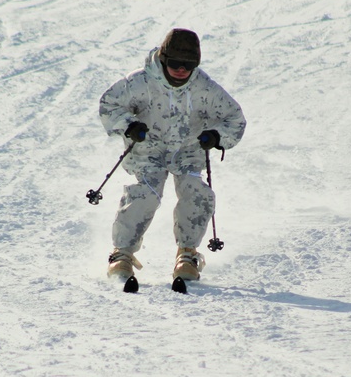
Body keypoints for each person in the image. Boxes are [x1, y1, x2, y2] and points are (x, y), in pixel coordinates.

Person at [98, 28, 246, 282]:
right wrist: (128, 125)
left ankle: (187, 254)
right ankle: (121, 254)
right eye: (175, 63)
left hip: (188, 151)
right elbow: (109, 104)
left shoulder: (205, 88)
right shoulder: (140, 82)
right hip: (148, 149)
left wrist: (216, 137)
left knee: (195, 191)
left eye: (188, 65)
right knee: (146, 193)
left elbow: (235, 119)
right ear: (164, 59)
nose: (181, 70)